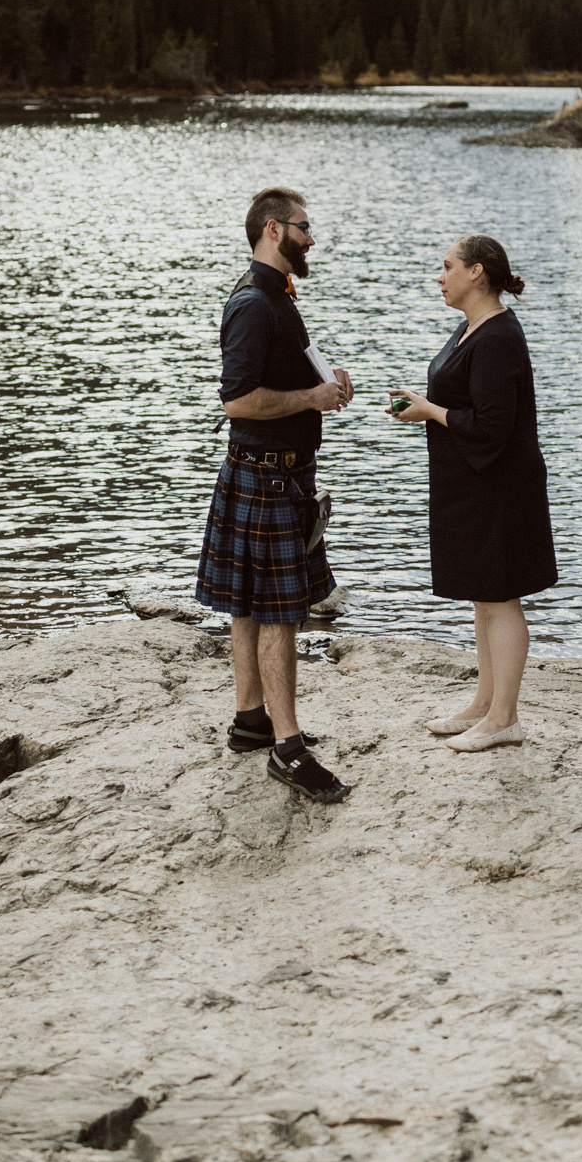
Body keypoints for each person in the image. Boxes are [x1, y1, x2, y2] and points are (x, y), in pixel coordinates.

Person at [195, 185, 355, 803]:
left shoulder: (276, 296)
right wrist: (310, 400)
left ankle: (251, 721)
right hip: (265, 475)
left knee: (247, 605)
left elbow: (276, 378)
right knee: (280, 617)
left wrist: (323, 383)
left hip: (270, 474)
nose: (312, 237)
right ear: (272, 230)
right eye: (304, 226)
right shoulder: (254, 305)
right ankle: (288, 750)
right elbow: (237, 400)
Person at [389, 233, 556, 750]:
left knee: (501, 598)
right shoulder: (470, 329)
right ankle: (483, 705)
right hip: (471, 485)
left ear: (477, 272)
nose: (440, 277)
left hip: (501, 487)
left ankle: (505, 719)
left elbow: (493, 427)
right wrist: (423, 403)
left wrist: (429, 411)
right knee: (484, 597)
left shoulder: (500, 335)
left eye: (446, 267)